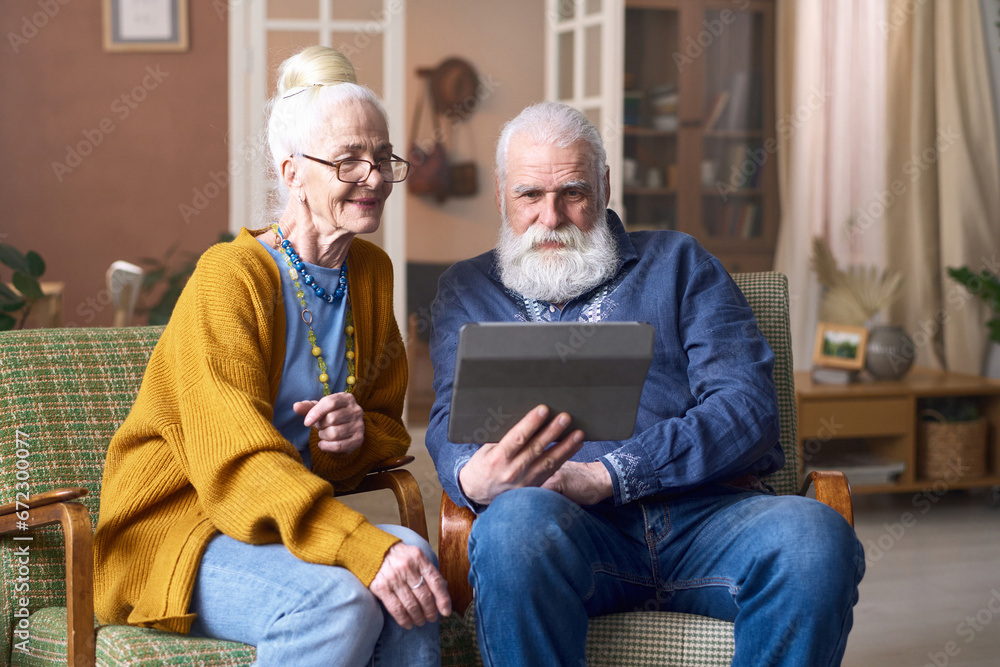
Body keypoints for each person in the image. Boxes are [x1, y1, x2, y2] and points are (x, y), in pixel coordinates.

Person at [425, 101, 864, 666]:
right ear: (501, 194)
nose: (551, 218)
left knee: (814, 538)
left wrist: (608, 474)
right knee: (511, 529)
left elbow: (748, 410)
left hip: (709, 519)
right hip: (564, 533)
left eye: (573, 193)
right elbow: (448, 418)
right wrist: (470, 474)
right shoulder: (465, 288)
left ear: (604, 187)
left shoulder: (680, 263)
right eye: (530, 195)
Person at [94, 46, 450, 666]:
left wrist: (351, 438)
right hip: (184, 528)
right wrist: (361, 545)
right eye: (347, 161)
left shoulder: (370, 271)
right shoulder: (228, 279)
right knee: (340, 598)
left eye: (381, 158)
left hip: (273, 525)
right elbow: (236, 461)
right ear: (291, 172)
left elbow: (390, 426)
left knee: (412, 568)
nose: (373, 177)